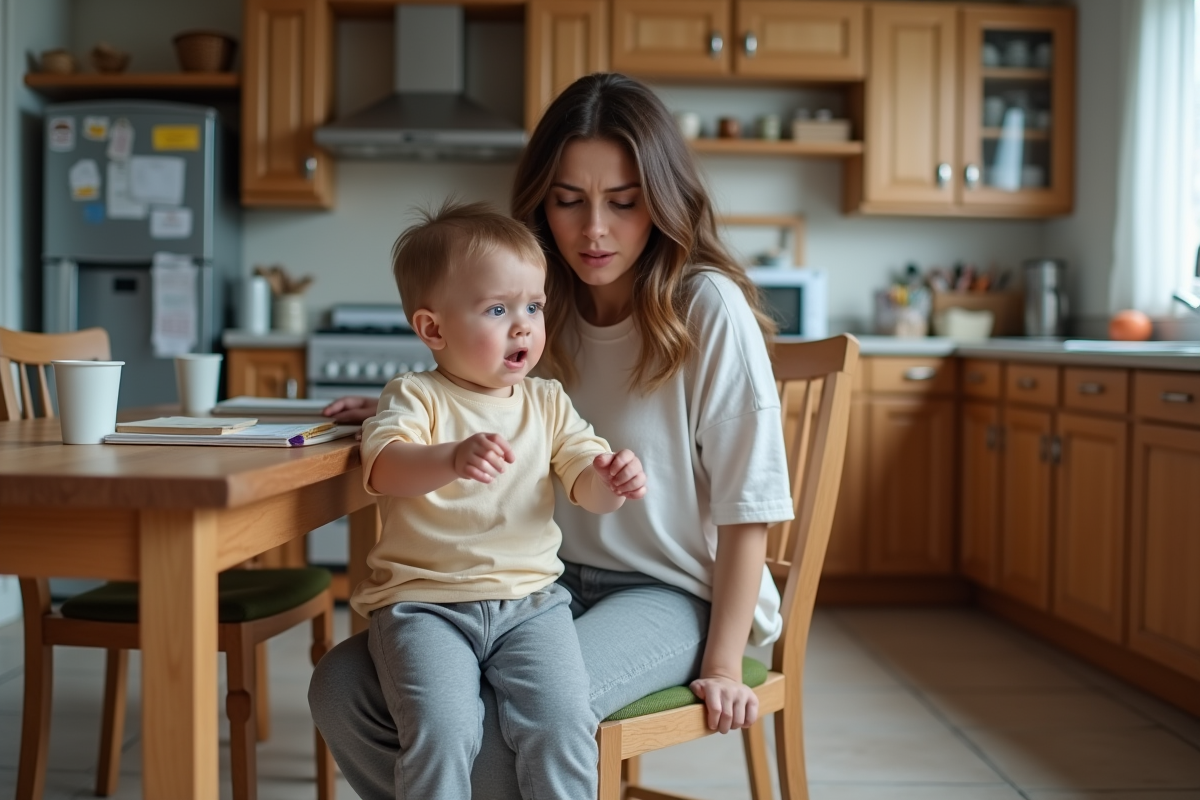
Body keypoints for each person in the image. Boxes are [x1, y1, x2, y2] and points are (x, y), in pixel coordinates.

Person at [313, 72, 795, 800]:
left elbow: (747, 505)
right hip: (542, 582)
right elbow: (478, 384)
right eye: (569, 201)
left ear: (660, 200)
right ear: (542, 201)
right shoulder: (541, 307)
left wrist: (724, 665)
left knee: (514, 728)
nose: (593, 230)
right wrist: (398, 415)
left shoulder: (706, 307)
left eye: (623, 203)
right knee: (342, 686)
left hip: (673, 591)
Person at [356, 201, 647, 800]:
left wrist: (609, 481)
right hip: (426, 605)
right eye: (497, 309)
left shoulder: (547, 402)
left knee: (564, 723)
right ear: (432, 329)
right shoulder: (414, 397)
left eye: (533, 307)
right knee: (444, 730)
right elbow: (384, 468)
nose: (523, 325)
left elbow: (584, 484)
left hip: (532, 606)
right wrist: (450, 457)